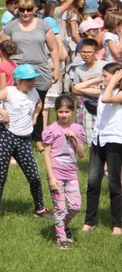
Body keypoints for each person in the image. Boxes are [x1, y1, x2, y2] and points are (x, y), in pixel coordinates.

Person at [0, 64, 52, 223]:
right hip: (6, 137)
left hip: (24, 140)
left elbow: (39, 104)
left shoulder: (33, 93)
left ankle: (40, 208)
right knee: (1, 176)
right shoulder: (9, 92)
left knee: (34, 176)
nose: (32, 82)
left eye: (33, 79)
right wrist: (2, 112)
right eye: (28, 80)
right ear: (18, 81)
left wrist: (35, 117)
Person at [0, 0, 60, 152]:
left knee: (38, 104)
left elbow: (54, 49)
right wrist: (3, 70)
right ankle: (15, 137)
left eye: (29, 9)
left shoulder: (43, 25)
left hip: (40, 70)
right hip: (18, 70)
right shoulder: (11, 27)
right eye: (22, 10)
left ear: (35, 9)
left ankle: (38, 138)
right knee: (17, 104)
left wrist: (56, 69)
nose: (25, 13)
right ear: (17, 10)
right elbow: (2, 49)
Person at [82, 62, 122, 234]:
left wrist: (112, 82)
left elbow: (107, 98)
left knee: (114, 183)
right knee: (92, 182)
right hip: (98, 141)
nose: (102, 78)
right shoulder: (102, 90)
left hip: (114, 141)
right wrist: (100, 79)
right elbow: (77, 87)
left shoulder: (118, 93)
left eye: (105, 75)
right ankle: (89, 222)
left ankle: (117, 224)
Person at [42, 94, 85, 249]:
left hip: (71, 174)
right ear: (56, 111)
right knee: (60, 208)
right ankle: (61, 239)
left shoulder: (77, 129)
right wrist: (51, 177)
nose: (64, 115)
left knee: (75, 206)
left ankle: (62, 225)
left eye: (67, 112)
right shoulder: (51, 130)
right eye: (61, 112)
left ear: (73, 111)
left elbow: (81, 153)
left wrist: (75, 139)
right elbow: (46, 154)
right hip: (56, 174)